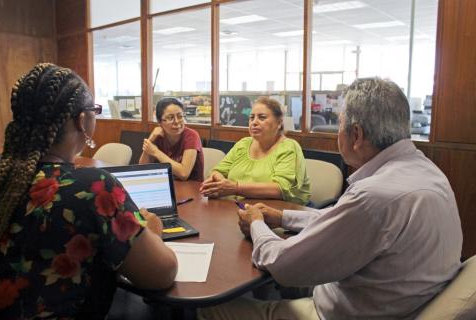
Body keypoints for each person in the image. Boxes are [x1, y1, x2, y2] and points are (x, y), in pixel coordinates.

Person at [199, 78, 463, 320]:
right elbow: (341, 217)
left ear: (356, 135)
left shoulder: (375, 196)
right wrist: (281, 217)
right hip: (390, 294)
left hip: (344, 311)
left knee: (210, 308)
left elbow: (281, 265)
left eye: (339, 124)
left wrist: (256, 223)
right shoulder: (425, 170)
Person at [0, 64, 177, 319]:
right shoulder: (94, 188)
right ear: (83, 121)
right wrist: (153, 232)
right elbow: (161, 275)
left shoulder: (2, 173)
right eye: (95, 110)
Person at [199, 97, 310, 206]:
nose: (254, 122)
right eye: (252, 118)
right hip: (238, 208)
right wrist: (219, 185)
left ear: (279, 123)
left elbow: (280, 188)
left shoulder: (289, 147)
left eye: (262, 118)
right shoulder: (243, 144)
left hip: (279, 213)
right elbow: (217, 171)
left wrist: (234, 188)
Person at [139, 97, 204, 181]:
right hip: (166, 187)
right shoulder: (158, 136)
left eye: (180, 116)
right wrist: (150, 140)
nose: (177, 121)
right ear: (160, 122)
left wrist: (155, 152)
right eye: (170, 118)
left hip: (191, 189)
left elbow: (183, 173)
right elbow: (142, 169)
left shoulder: (191, 136)